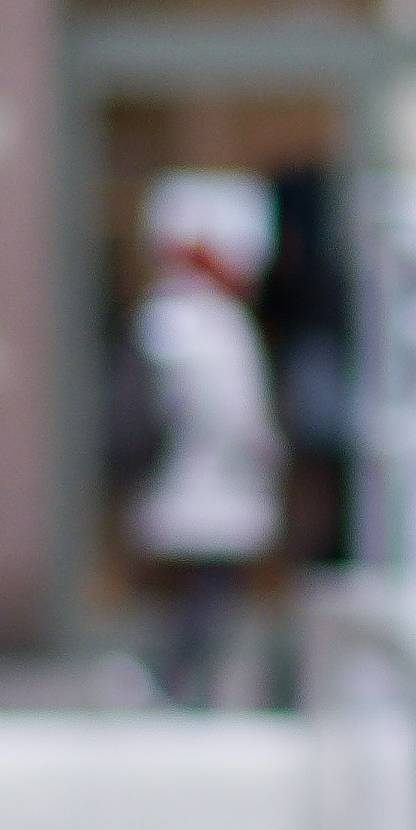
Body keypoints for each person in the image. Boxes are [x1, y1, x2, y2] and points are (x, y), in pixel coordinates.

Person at [127, 172, 285, 710]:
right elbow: (215, 407)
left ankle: (186, 685)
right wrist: (255, 444)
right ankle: (172, 685)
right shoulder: (182, 320)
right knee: (198, 596)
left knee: (207, 594)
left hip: (212, 478)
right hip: (203, 476)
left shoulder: (202, 317)